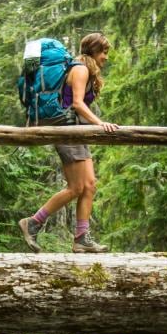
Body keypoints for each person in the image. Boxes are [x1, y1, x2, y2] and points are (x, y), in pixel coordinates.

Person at [18, 32, 118, 253]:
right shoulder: (80, 69)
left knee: (90, 185)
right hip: (67, 130)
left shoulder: (83, 69)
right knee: (76, 187)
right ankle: (33, 222)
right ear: (93, 50)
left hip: (76, 131)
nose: (106, 57)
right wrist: (101, 124)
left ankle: (81, 237)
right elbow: (78, 104)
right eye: (104, 52)